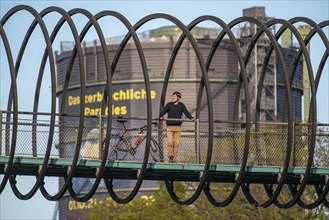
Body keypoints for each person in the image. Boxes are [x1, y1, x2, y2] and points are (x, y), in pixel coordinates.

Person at [159, 91, 194, 162]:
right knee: (170, 142)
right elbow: (163, 111)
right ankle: (170, 156)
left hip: (178, 127)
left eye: (174, 96)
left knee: (177, 144)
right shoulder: (169, 105)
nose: (173, 97)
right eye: (172, 96)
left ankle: (173, 159)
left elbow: (186, 112)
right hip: (170, 127)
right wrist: (161, 116)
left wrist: (191, 117)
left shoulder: (181, 105)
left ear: (178, 97)